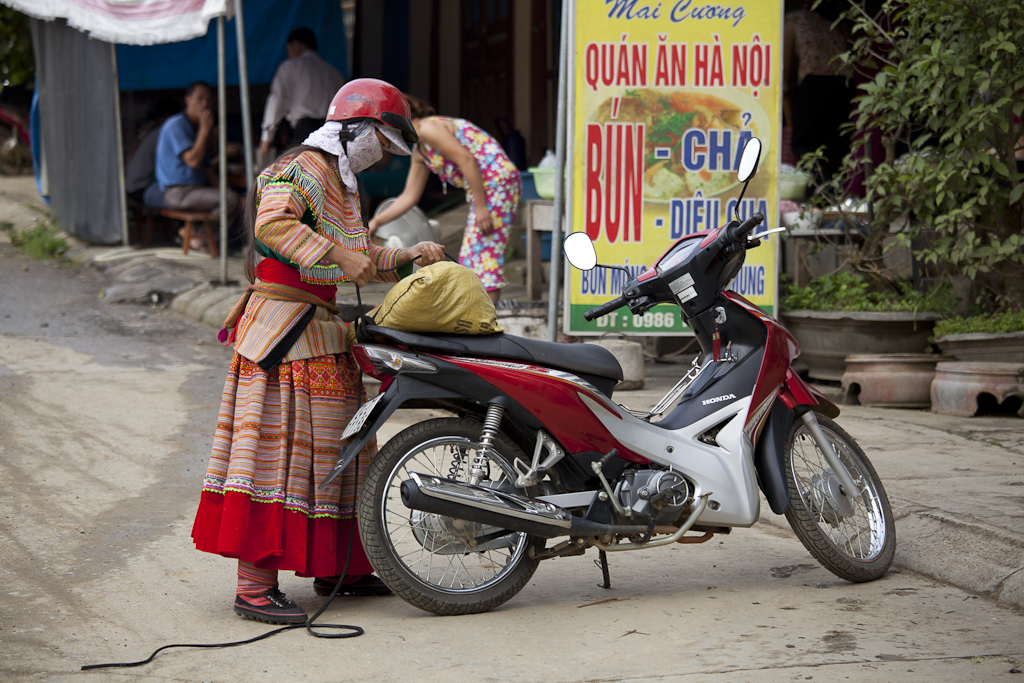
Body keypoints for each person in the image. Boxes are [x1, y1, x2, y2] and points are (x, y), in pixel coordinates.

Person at [190, 78, 445, 625]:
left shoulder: (343, 182)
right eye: (380, 140)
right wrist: (341, 254)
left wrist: (405, 256)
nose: (382, 155)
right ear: (355, 127)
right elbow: (271, 225)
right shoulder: (303, 167)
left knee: (340, 453)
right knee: (277, 458)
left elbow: (356, 258)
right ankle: (254, 588)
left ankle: (342, 568)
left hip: (324, 330)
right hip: (284, 331)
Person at [368, 96, 521, 303]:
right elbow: (409, 196)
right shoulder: (420, 150)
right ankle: (480, 317)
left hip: (497, 185)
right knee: (470, 259)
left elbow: (467, 160)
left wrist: (481, 207)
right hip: (485, 190)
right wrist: (377, 221)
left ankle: (488, 320)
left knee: (485, 257)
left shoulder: (428, 129)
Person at [155, 82, 241, 247]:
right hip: (178, 192)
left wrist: (223, 189)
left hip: (195, 190)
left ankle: (197, 235)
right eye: (199, 98)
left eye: (209, 100)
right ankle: (199, 237)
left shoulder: (196, 127)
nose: (205, 104)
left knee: (232, 199)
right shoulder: (176, 125)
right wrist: (204, 130)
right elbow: (193, 162)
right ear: (188, 99)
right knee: (230, 200)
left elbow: (207, 168)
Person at [783, 0, 854, 188]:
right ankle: (833, 189)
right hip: (842, 84)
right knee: (832, 142)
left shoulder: (795, 18)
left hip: (814, 82)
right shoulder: (836, 23)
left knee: (801, 143)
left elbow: (785, 64)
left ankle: (822, 188)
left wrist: (784, 88)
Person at [259, 28, 346, 158]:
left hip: (306, 131)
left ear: (297, 45)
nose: (289, 53)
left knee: (304, 173)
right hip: (333, 135)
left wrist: (267, 136)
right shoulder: (335, 73)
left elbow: (278, 100)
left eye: (289, 48)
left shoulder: (290, 66)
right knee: (329, 174)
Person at [125, 97, 181, 205]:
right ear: (168, 116)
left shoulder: (149, 129)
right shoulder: (163, 132)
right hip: (141, 187)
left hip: (131, 185)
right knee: (177, 197)